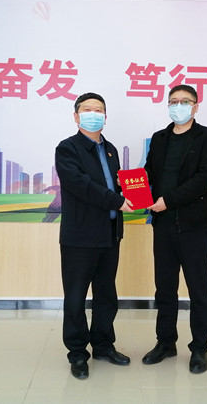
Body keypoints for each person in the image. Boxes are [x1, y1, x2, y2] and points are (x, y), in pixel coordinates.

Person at [142, 84, 207, 374]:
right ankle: (165, 342)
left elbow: (205, 179)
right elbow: (150, 173)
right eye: (174, 101)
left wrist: (169, 200)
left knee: (198, 288)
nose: (179, 106)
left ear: (196, 106)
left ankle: (199, 348)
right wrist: (130, 184)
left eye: (185, 101)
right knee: (164, 288)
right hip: (162, 224)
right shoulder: (160, 138)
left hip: (193, 224)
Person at [55, 92, 134, 380]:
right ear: (76, 116)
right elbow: (81, 185)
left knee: (106, 294)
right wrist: (116, 200)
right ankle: (77, 353)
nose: (93, 114)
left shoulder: (110, 149)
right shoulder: (67, 148)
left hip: (109, 234)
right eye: (87, 109)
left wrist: (134, 190)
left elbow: (115, 185)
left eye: (98, 110)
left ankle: (103, 345)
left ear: (105, 116)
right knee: (76, 297)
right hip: (80, 235)